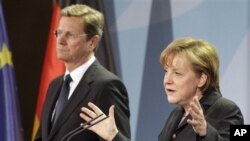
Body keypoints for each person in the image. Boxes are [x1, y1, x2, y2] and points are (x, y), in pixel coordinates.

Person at [80, 37, 244, 141]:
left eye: (178, 73)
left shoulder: (227, 109)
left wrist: (205, 132)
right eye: (166, 72)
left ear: (201, 79)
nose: (167, 80)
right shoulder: (176, 115)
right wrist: (113, 135)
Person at [35, 4, 130, 141]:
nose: (60, 41)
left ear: (92, 42)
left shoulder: (107, 86)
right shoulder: (55, 85)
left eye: (71, 35)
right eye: (59, 33)